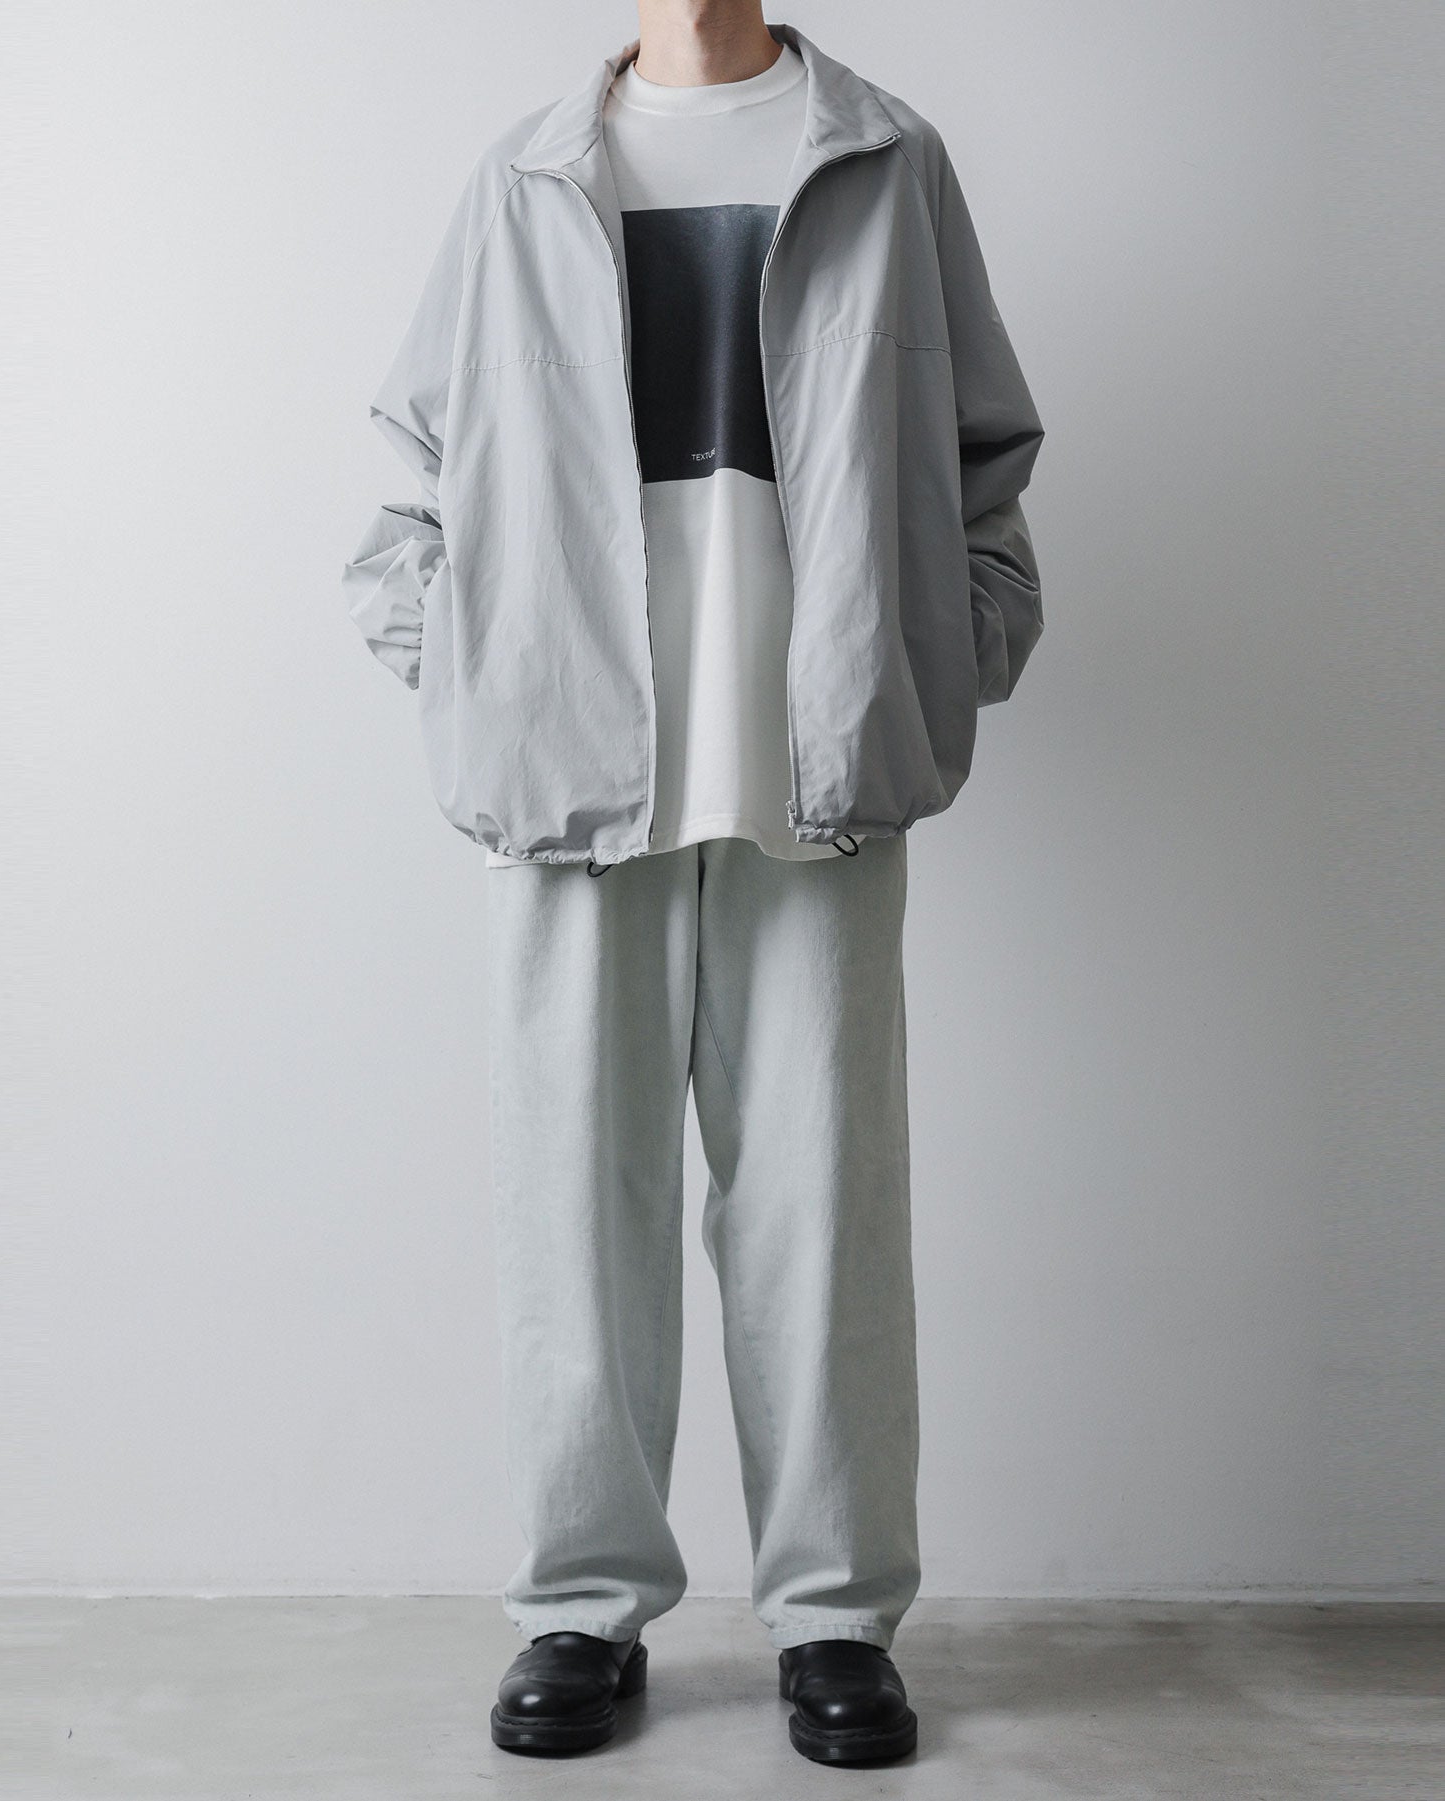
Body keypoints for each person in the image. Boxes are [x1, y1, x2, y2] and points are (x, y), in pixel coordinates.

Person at [342, 2, 1044, 1767]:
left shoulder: (884, 159)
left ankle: (834, 1615)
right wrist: (479, 683)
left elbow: (985, 455)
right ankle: (583, 1603)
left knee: (825, 1213)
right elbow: (415, 475)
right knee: (576, 1211)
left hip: (817, 763)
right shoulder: (524, 179)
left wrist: (940, 660)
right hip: (573, 769)